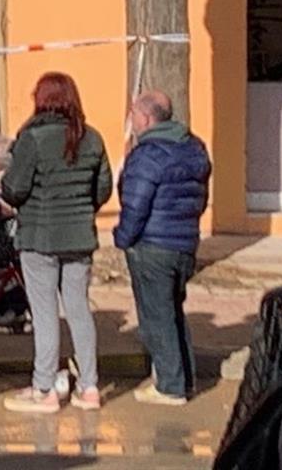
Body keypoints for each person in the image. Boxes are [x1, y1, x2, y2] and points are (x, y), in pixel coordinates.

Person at [0, 72, 112, 414]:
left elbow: (14, 189)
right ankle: (90, 387)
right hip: (80, 236)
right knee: (79, 310)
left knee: (45, 314)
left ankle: (45, 388)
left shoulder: (31, 139)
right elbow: (103, 189)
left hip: (39, 237)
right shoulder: (91, 138)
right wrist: (80, 210)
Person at [112, 91, 210, 407]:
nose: (131, 121)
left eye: (134, 115)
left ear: (145, 118)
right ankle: (184, 378)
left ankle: (170, 386)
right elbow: (200, 198)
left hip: (153, 245)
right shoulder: (193, 148)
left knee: (157, 316)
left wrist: (123, 237)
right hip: (183, 241)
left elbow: (135, 204)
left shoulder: (147, 155)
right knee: (173, 312)